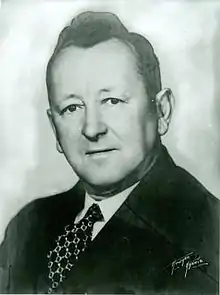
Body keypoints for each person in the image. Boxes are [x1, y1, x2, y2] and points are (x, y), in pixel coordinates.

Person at [0, 11, 219, 294]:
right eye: (72, 108)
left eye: (112, 101)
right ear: (55, 129)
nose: (92, 129)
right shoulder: (28, 226)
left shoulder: (207, 234)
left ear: (161, 111)